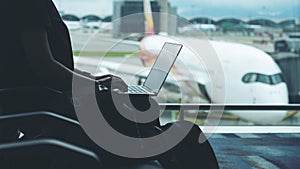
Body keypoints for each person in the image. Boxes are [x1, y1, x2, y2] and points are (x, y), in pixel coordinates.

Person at [0, 0, 219, 168]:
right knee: (184, 132)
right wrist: (97, 87)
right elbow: (44, 68)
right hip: (54, 113)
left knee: (141, 107)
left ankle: (157, 147)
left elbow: (37, 67)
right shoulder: (29, 5)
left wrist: (95, 81)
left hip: (45, 105)